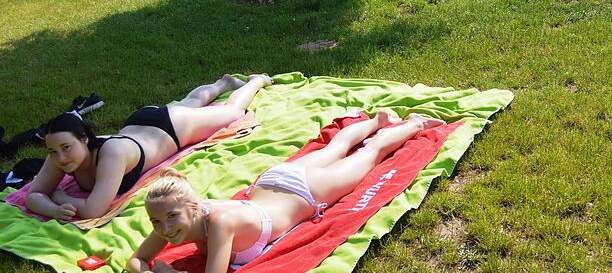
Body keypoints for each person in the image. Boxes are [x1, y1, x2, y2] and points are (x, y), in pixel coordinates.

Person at [126, 111, 445, 273]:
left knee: (369, 154)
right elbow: (136, 260)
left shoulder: (220, 221)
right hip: (274, 180)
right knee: (339, 145)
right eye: (156, 222)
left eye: (171, 217)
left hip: (305, 192)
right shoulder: (173, 218)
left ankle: (412, 124)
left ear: (194, 207)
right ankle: (378, 118)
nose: (165, 229)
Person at [25, 74, 272, 222]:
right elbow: (33, 196)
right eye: (53, 151)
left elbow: (93, 210)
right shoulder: (58, 154)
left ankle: (256, 81)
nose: (60, 157)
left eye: (67, 147)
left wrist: (60, 197)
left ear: (84, 140)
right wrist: (56, 209)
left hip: (171, 128)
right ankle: (221, 83)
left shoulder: (112, 155)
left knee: (232, 112)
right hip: (138, 124)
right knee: (189, 102)